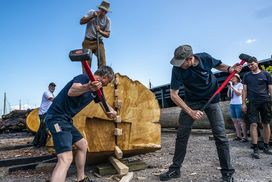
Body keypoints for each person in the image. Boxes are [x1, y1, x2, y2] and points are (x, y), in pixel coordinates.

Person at [159, 44, 242, 182]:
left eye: (182, 62)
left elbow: (219, 65)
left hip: (212, 100)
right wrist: (190, 111)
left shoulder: (205, 58)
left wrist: (230, 69)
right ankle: (175, 170)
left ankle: (227, 173)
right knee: (181, 135)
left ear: (190, 59)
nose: (179, 65)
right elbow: (174, 95)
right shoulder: (177, 69)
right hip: (192, 101)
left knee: (220, 136)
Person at [45, 66, 117, 182]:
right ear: (105, 77)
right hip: (56, 118)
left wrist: (112, 112)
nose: (107, 84)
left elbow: (104, 105)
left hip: (66, 120)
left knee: (82, 145)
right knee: (65, 158)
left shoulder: (98, 90)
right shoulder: (85, 78)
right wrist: (88, 87)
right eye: (108, 81)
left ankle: (81, 179)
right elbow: (72, 91)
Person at [242, 56, 272, 159]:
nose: (250, 66)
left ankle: (266, 146)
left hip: (265, 101)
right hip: (252, 103)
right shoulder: (246, 76)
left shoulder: (266, 74)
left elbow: (270, 88)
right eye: (249, 65)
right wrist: (243, 103)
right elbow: (244, 90)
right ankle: (255, 148)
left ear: (257, 62)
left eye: (252, 64)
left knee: (266, 123)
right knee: (253, 124)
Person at [80, 0, 111, 69]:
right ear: (99, 8)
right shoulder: (91, 12)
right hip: (88, 41)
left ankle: (99, 77)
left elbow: (107, 34)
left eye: (105, 11)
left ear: (106, 12)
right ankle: (87, 78)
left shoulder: (107, 20)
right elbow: (81, 21)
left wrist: (100, 31)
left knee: (102, 61)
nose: (103, 12)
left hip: (98, 42)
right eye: (102, 10)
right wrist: (92, 16)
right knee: (86, 63)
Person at [33, 82, 56, 147]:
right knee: (44, 129)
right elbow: (52, 100)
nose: (53, 88)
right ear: (49, 87)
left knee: (42, 128)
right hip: (44, 113)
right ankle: (41, 144)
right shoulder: (47, 93)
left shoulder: (52, 94)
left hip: (47, 113)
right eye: (52, 86)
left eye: (54, 87)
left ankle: (35, 143)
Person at [227, 74, 248, 142]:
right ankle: (238, 136)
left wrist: (232, 87)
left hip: (239, 104)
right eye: (231, 77)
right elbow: (228, 96)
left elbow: (239, 93)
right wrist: (229, 88)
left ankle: (245, 137)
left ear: (237, 78)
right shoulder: (231, 85)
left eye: (233, 77)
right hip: (232, 104)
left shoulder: (240, 84)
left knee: (241, 121)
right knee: (235, 121)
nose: (232, 78)